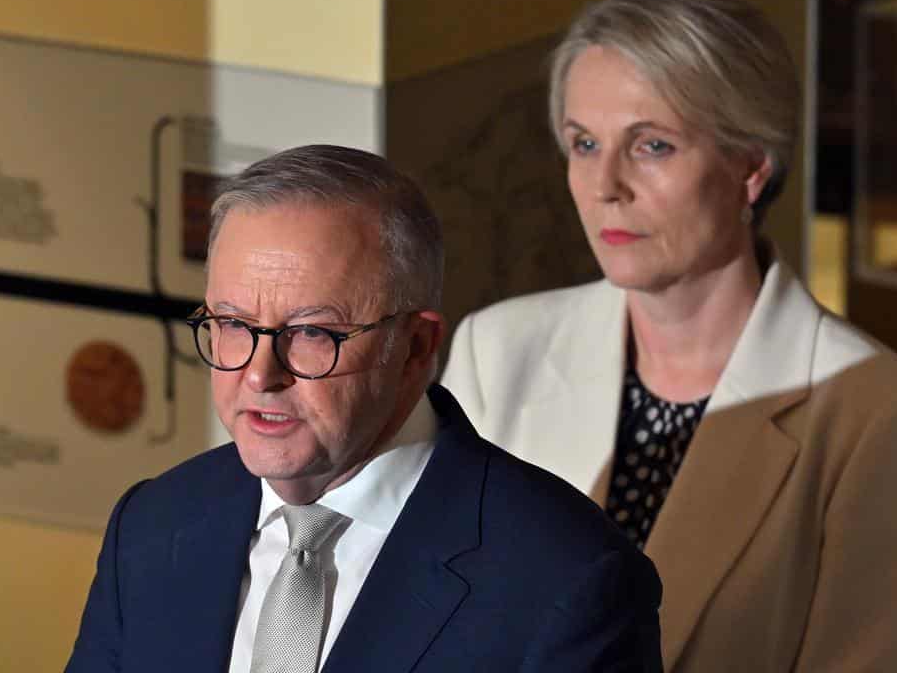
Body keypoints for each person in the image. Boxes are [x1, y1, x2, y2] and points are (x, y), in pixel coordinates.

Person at [442, 0, 897, 672]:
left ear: (751, 168)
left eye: (652, 145)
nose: (605, 186)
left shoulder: (877, 411)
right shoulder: (495, 350)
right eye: (584, 143)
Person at [65, 145, 663, 672]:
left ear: (416, 348)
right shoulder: (151, 527)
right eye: (232, 324)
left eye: (312, 333)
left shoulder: (569, 582)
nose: (258, 374)